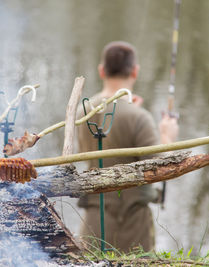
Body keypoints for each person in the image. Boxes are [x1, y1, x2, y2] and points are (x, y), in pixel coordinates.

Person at [76, 41, 179, 252]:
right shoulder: (139, 117)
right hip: (132, 228)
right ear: (135, 71)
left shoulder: (81, 112)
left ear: (101, 70)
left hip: (93, 223)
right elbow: (160, 168)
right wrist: (168, 137)